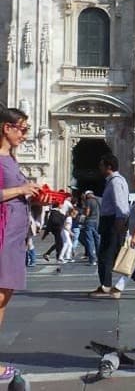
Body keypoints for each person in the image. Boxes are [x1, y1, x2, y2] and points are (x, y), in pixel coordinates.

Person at [0, 107, 42, 382]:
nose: (25, 135)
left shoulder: (11, 160)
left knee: (3, 299)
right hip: (2, 234)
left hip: (15, 236)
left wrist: (37, 197)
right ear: (7, 127)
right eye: (22, 129)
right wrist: (22, 189)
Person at [88, 154, 130, 298]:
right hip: (113, 220)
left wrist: (119, 220)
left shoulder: (115, 182)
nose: (99, 168)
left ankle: (106, 286)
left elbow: (120, 203)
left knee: (105, 255)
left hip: (113, 221)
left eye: (101, 165)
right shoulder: (116, 180)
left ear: (109, 167)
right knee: (116, 253)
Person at [82, 190, 100, 266]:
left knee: (90, 240)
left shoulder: (88, 201)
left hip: (89, 221)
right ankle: (100, 257)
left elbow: (87, 212)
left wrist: (83, 214)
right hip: (97, 221)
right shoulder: (98, 200)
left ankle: (92, 259)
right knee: (97, 240)